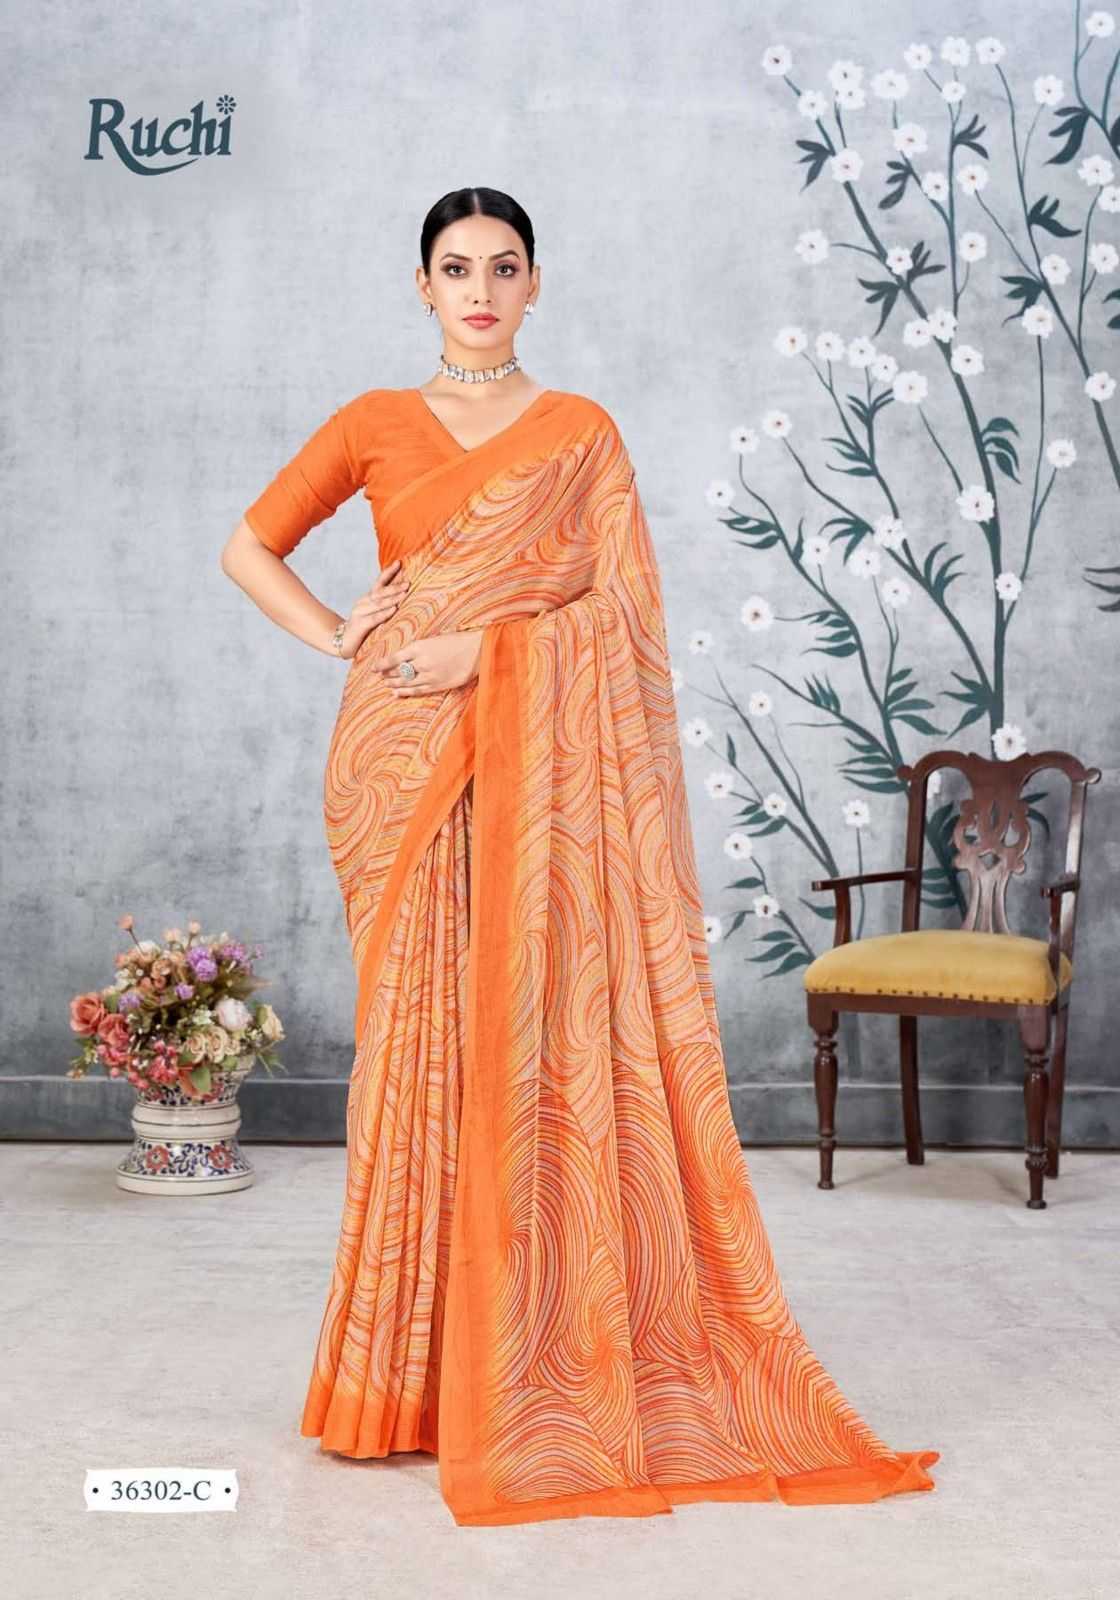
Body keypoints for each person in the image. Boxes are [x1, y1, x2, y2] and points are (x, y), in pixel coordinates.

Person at [220, 185, 939, 1527]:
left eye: (503, 268)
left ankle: (527, 1370)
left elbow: (621, 615)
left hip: (533, 762)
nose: (480, 292)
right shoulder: (372, 420)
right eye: (456, 269)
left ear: (536, 284)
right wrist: (340, 634)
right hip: (398, 768)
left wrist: (487, 653)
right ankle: (400, 1384)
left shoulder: (581, 434)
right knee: (418, 1060)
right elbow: (248, 544)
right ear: (422, 286)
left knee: (530, 1047)